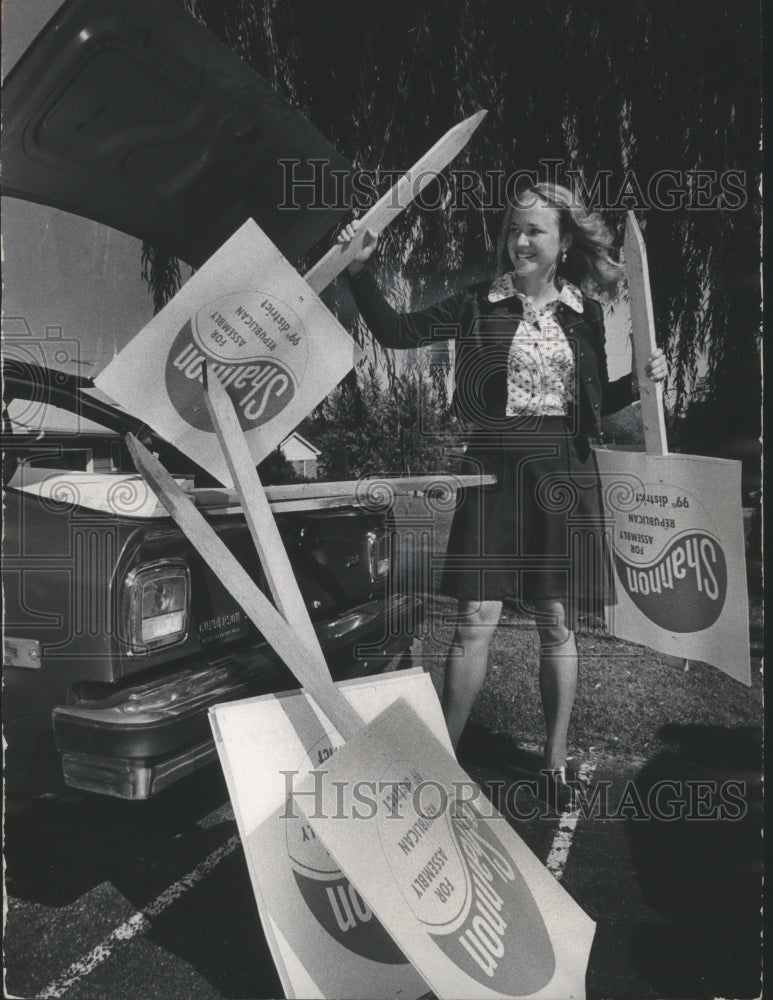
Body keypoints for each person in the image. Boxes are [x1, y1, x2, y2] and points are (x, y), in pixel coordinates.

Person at [338, 181, 668, 807]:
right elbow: (395, 331)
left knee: (556, 621)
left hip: (562, 480)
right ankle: (442, 758)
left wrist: (642, 383)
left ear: (563, 241)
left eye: (534, 231)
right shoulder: (476, 303)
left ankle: (553, 761)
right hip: (490, 473)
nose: (519, 240)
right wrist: (360, 272)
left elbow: (596, 402)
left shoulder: (583, 314)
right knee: (474, 618)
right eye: (513, 229)